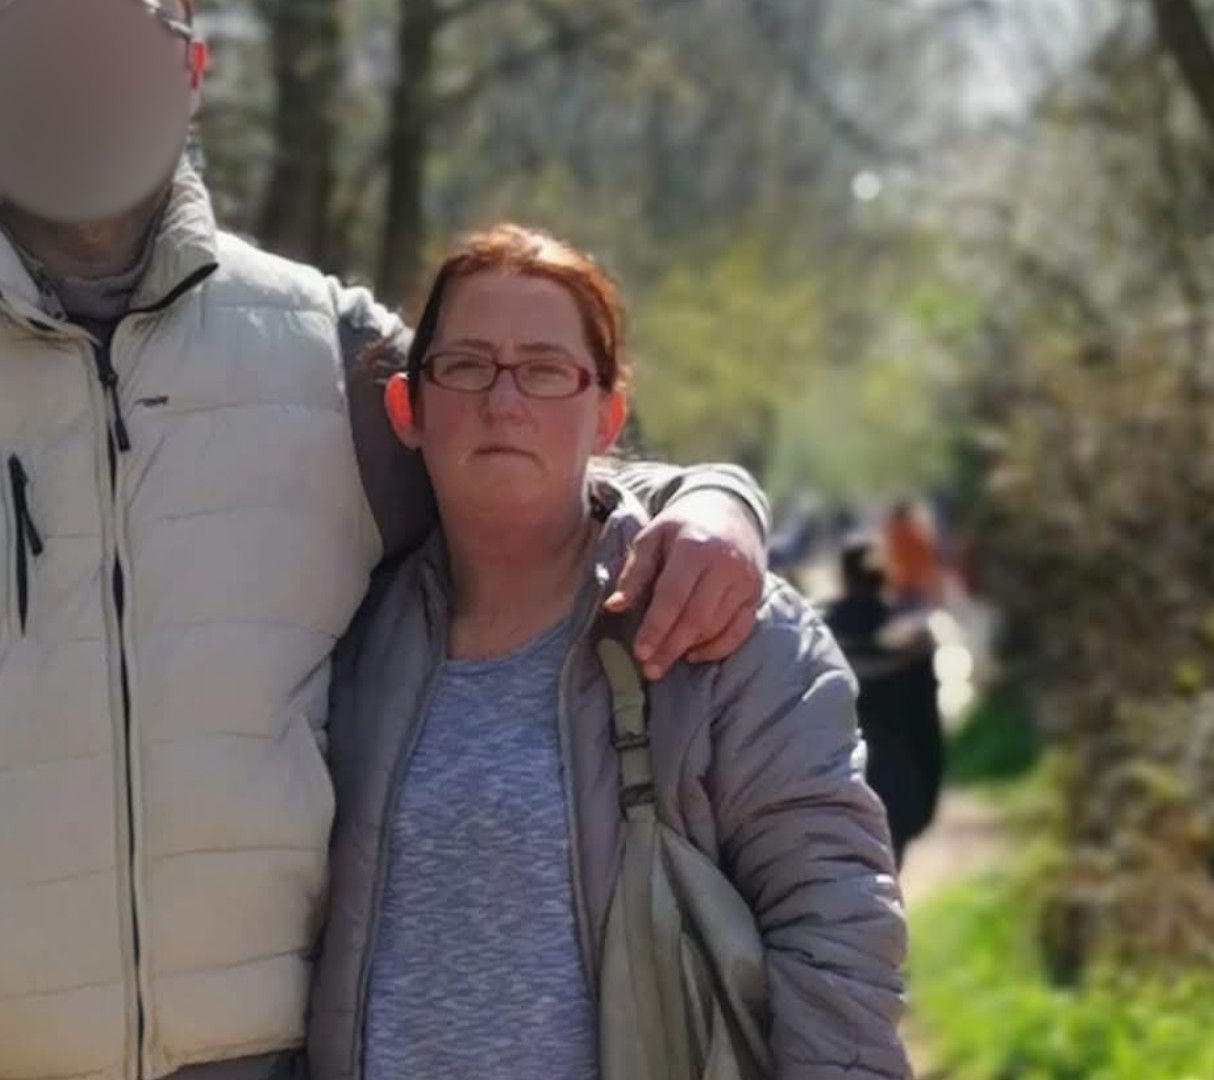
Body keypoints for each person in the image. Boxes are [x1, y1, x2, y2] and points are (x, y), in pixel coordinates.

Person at [0, 3, 774, 1078]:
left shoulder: (316, 344)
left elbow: (513, 438)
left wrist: (714, 499)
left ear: (190, 73)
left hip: (257, 1058)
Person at [308, 225, 909, 1080]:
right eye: (467, 365)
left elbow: (838, 928)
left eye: (547, 370)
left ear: (608, 414)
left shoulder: (726, 625)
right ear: (409, 408)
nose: (504, 402)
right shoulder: (355, 639)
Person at [824, 540, 944, 867]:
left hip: (833, 789)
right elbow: (927, 728)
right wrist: (926, 800)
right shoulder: (912, 640)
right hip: (896, 788)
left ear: (844, 578)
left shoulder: (817, 637)